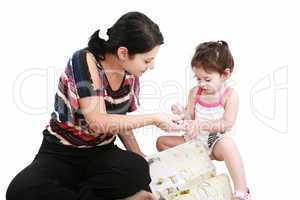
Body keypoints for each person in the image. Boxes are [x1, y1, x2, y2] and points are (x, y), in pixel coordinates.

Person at [6, 11, 185, 200]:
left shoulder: (130, 73)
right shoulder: (83, 60)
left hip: (101, 153)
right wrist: (154, 119)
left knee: (137, 169)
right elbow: (98, 122)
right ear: (123, 52)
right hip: (61, 152)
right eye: (147, 60)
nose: (152, 66)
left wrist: (140, 157)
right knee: (20, 191)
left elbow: (121, 121)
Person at [156, 41, 252, 200]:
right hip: (193, 142)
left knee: (228, 145)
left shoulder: (229, 96)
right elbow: (190, 117)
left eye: (207, 79)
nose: (202, 84)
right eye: (198, 78)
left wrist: (201, 125)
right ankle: (195, 171)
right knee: (161, 142)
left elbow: (226, 124)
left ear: (225, 75)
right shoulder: (195, 92)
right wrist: (181, 114)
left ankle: (242, 191)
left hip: (213, 142)